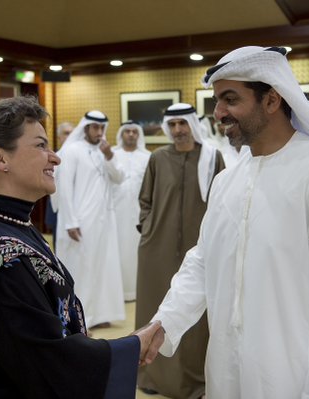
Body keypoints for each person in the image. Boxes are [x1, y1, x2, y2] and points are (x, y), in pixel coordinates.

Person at [146, 46, 309, 398]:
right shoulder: (228, 179)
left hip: (297, 372)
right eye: (217, 101)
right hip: (228, 366)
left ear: (272, 99)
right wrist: (164, 324)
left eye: (230, 99)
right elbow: (203, 260)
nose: (219, 113)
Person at [0, 96, 163, 399]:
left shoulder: (8, 225)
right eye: (40, 146)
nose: (55, 157)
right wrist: (133, 346)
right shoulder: (3, 256)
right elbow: (49, 363)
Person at [136, 103, 225, 398]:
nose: (177, 131)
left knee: (194, 312)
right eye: (172, 125)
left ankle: (193, 382)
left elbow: (224, 201)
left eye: (182, 124)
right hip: (157, 249)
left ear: (192, 125)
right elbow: (145, 199)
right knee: (156, 308)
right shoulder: (158, 158)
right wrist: (147, 228)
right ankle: (153, 378)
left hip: (199, 249)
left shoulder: (212, 158)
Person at [54, 111, 126, 328]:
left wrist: (110, 156)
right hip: (81, 220)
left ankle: (100, 315)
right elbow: (64, 188)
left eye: (102, 128)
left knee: (103, 266)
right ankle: (78, 321)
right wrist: (70, 221)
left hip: (105, 220)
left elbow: (119, 178)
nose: (99, 132)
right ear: (85, 128)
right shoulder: (71, 151)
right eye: (95, 127)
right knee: (82, 269)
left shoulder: (105, 151)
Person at [111, 120, 150, 301]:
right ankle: (118, 292)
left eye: (135, 132)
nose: (131, 135)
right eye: (128, 131)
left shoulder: (148, 156)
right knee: (117, 251)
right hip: (116, 212)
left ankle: (135, 291)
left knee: (136, 251)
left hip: (139, 213)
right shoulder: (112, 154)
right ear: (122, 134)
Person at [44, 121, 74, 248]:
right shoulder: (53, 157)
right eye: (66, 133)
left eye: (72, 133)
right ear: (59, 137)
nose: (70, 136)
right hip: (57, 208)